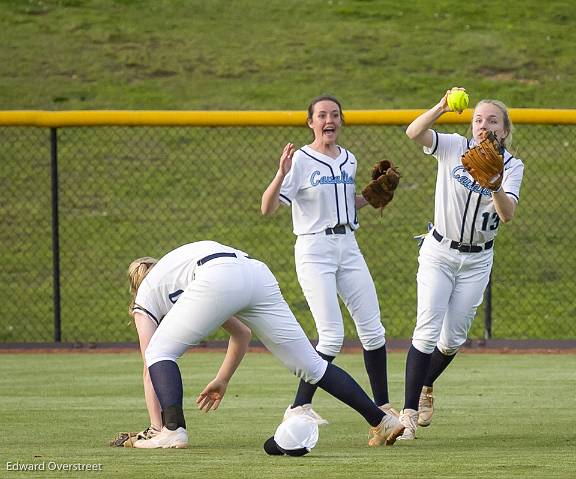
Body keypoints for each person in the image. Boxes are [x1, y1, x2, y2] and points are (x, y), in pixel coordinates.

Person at [126, 240, 404, 449]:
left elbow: (150, 364)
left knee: (159, 352)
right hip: (254, 272)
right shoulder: (174, 277)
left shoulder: (145, 298)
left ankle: (172, 430)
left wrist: (156, 426)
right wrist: (222, 379)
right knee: (312, 365)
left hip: (216, 276)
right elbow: (242, 334)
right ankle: (382, 420)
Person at [260, 95, 396, 427]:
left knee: (373, 331)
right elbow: (267, 207)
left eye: (334, 114)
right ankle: (297, 407)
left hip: (347, 245)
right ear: (311, 123)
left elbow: (347, 204)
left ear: (341, 121)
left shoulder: (349, 159)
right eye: (321, 115)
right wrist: (281, 173)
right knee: (331, 336)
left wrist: (373, 196)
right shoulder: (301, 160)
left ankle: (385, 407)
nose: (328, 120)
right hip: (314, 249)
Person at [397, 88, 525, 440]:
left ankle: (425, 385)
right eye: (478, 119)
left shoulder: (513, 166)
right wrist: (440, 106)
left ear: (505, 129)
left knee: (451, 339)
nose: (484, 125)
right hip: (439, 251)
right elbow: (413, 132)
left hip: (477, 260)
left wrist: (495, 182)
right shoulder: (454, 146)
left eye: (492, 120)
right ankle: (407, 416)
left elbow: (508, 213)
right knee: (426, 329)